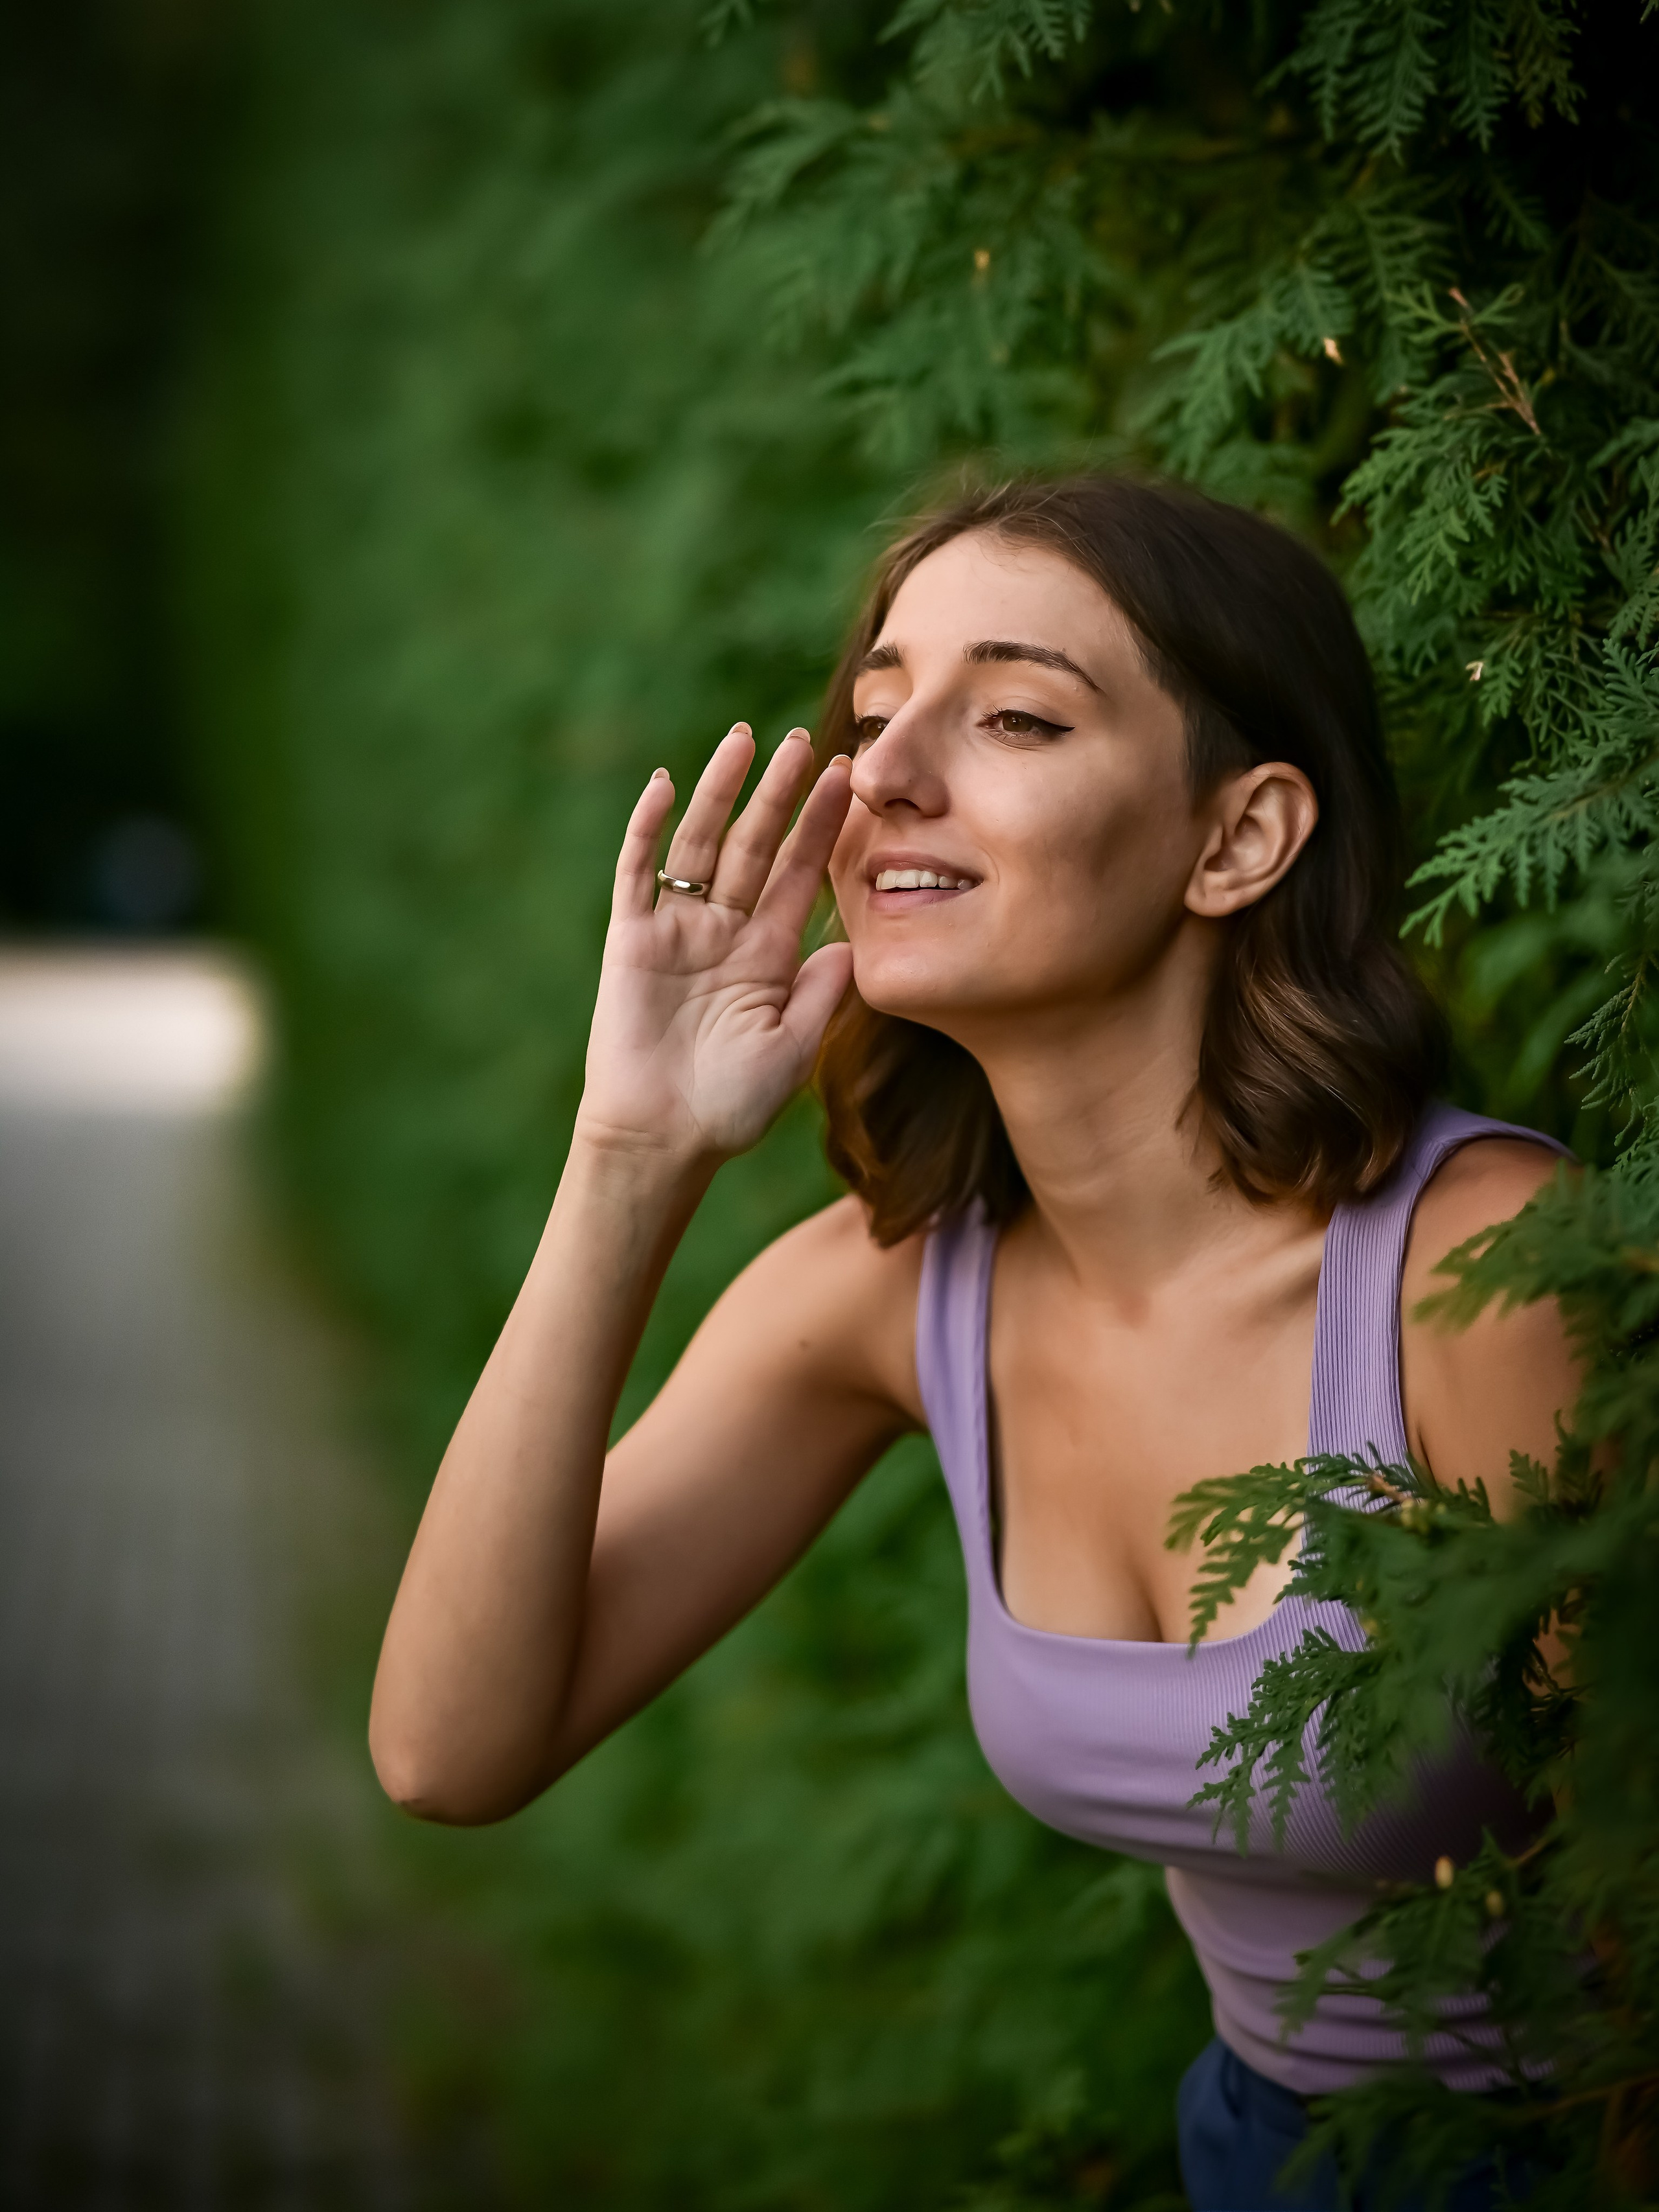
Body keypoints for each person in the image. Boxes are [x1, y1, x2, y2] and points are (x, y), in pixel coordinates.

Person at [369, 477, 1578, 2210]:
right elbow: (447, 1750)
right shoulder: (893, 1288)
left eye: (1015, 715)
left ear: (1237, 838)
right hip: (1249, 2151)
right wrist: (629, 1156)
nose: (885, 775)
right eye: (871, 716)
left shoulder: (1490, 1284)